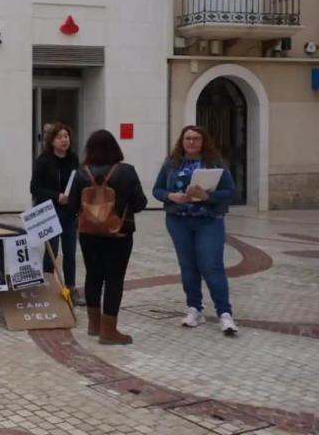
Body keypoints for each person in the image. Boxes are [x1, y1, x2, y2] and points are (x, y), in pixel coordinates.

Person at [152, 125, 238, 336]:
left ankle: (224, 313)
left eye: (196, 138)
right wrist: (171, 196)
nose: (191, 142)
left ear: (203, 141)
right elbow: (157, 189)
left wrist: (208, 196)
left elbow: (230, 191)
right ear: (182, 141)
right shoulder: (171, 164)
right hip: (179, 220)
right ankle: (194, 308)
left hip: (209, 220)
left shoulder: (216, 163)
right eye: (187, 138)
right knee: (188, 265)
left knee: (211, 265)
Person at [68, 130, 147, 345]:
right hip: (118, 233)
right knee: (114, 279)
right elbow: (140, 204)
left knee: (93, 275)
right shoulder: (127, 172)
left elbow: (73, 206)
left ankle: (94, 325)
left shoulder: (80, 173)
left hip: (88, 234)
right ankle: (109, 331)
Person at [30, 122, 84, 305]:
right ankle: (49, 287)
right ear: (52, 140)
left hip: (69, 212)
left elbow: (78, 182)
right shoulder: (43, 161)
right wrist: (56, 196)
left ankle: (71, 288)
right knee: (51, 252)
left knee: (70, 252)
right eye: (60, 137)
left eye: (66, 136)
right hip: (49, 212)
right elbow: (35, 188)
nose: (64, 140)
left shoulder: (73, 159)